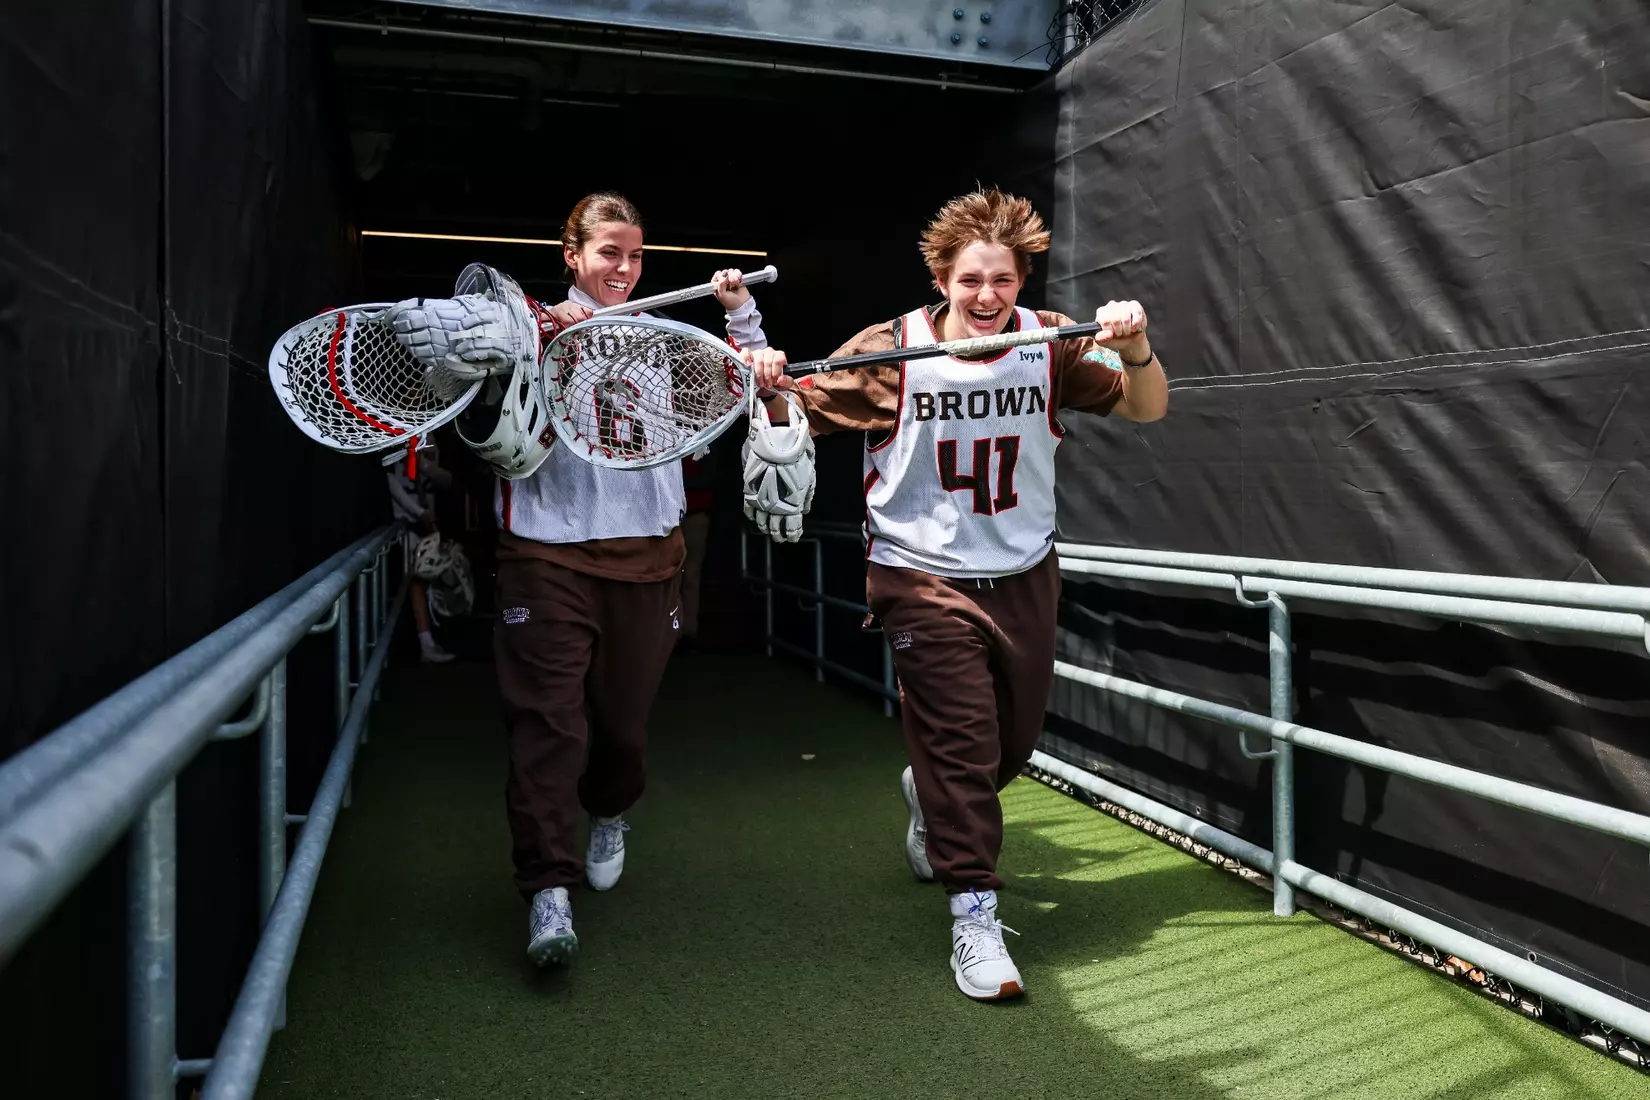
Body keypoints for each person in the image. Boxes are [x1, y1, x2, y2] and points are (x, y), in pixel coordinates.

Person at [741, 188, 1168, 1001]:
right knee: (964, 743)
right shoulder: (893, 347)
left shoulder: (1051, 343)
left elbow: (1148, 409)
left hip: (1022, 572)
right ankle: (973, 913)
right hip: (919, 574)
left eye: (1002, 280)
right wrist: (770, 378)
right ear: (941, 277)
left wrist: (1139, 346)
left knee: (1008, 748)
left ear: (1021, 280)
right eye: (970, 279)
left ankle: (927, 793)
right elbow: (797, 403)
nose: (986, 297)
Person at [493, 192, 769, 967]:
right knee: (547, 726)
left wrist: (744, 323)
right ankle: (548, 889)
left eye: (635, 255)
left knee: (619, 730)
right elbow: (464, 388)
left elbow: (747, 388)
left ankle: (609, 810)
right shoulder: (528, 330)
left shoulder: (668, 340)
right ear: (573, 256)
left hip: (648, 555)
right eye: (608, 252)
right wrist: (523, 334)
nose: (623, 268)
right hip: (545, 554)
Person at [383, 441, 457, 664]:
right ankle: (424, 644)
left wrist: (423, 465)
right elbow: (388, 480)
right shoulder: (395, 434)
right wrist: (418, 512)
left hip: (429, 522)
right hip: (405, 522)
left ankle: (431, 638)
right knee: (417, 579)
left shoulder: (430, 435)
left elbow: (447, 481)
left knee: (431, 580)